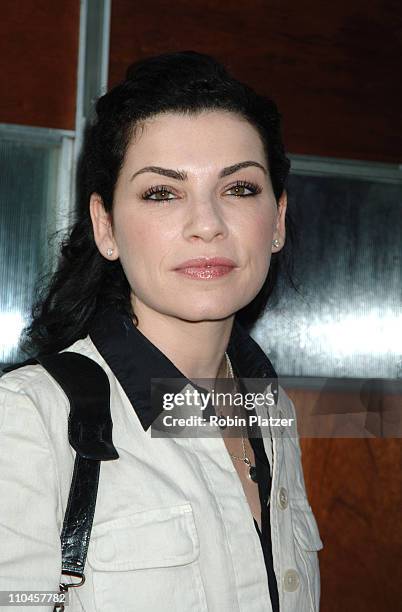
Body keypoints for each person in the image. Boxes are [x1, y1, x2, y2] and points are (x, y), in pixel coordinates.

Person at [0, 51, 323, 611]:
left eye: (240, 189)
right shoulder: (28, 421)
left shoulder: (272, 411)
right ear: (106, 228)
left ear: (277, 220)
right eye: (161, 192)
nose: (207, 225)